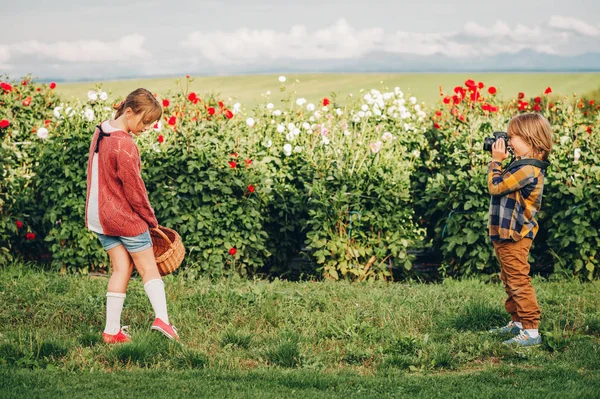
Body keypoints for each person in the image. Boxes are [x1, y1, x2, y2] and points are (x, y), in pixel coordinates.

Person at [85, 88, 179, 343]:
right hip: (123, 218)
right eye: (145, 121)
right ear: (128, 112)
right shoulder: (125, 144)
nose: (147, 127)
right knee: (149, 269)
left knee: (121, 268)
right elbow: (135, 190)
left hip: (98, 217)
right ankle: (163, 320)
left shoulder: (101, 130)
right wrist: (151, 220)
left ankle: (111, 332)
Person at [487, 112, 553, 347]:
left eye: (512, 137)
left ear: (531, 140)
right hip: (505, 233)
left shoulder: (527, 170)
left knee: (518, 281)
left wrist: (496, 162)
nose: (508, 141)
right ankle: (517, 322)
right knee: (509, 278)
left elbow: (495, 187)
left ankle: (531, 331)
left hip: (515, 235)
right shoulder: (520, 165)